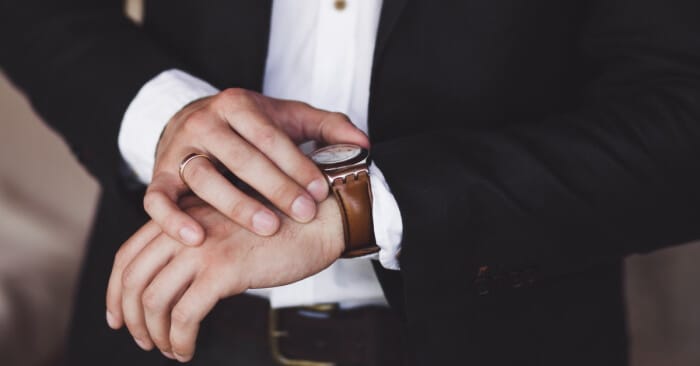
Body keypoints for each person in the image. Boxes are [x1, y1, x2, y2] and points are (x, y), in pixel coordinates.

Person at [3, 0, 700, 365]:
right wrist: (167, 115)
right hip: (164, 335)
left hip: (495, 340)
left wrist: (359, 207)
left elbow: (682, 122)